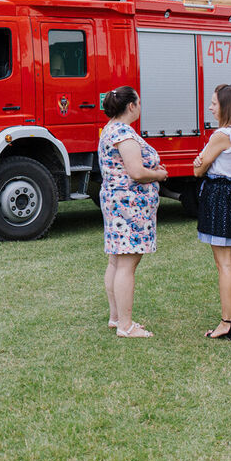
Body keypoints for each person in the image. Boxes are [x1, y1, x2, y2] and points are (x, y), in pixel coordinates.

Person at [98, 86, 168, 338]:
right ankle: (126, 326)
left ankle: (116, 318)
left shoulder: (110, 129)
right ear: (131, 106)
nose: (140, 106)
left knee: (116, 260)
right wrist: (159, 174)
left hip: (117, 203)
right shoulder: (124, 133)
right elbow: (136, 172)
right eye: (139, 102)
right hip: (129, 207)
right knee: (127, 262)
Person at [193, 84, 231, 341]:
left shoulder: (221, 135)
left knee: (223, 263)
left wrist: (200, 163)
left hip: (220, 197)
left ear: (225, 106)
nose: (210, 107)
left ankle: (226, 322)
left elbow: (198, 169)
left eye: (214, 103)